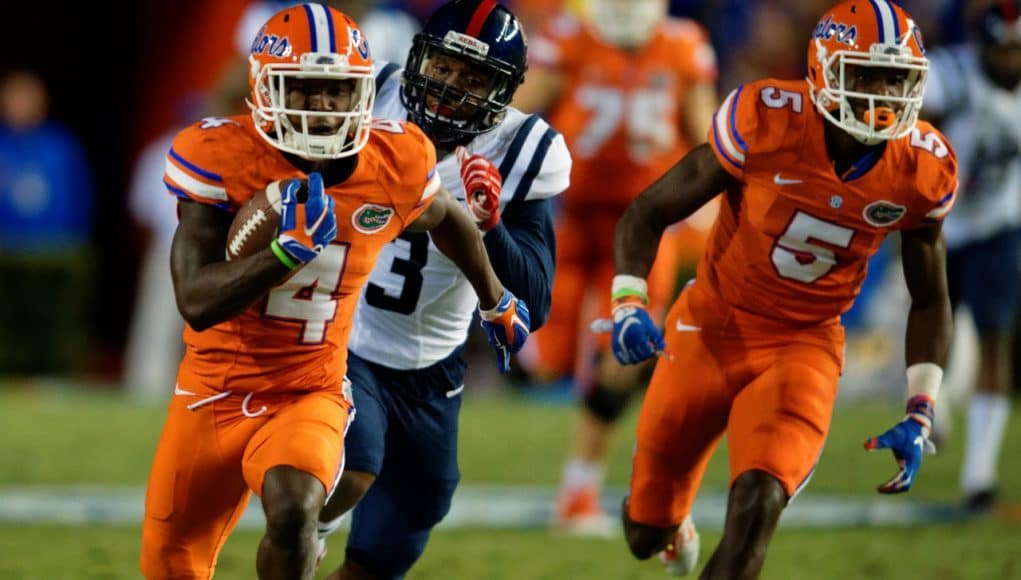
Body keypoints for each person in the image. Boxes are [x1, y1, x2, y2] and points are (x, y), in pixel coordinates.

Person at [138, 4, 530, 579]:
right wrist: (279, 257)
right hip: (211, 394)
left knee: (297, 507)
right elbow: (195, 301)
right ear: (266, 89)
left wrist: (496, 299)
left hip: (308, 388)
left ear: (364, 95)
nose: (323, 108)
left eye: (339, 92)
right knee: (172, 563)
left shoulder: (395, 161)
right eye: (307, 89)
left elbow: (445, 218)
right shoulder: (221, 157)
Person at [609, 1, 957, 577]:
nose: (882, 96)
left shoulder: (922, 168)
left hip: (804, 346)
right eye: (865, 75)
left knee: (759, 502)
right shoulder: (765, 119)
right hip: (711, 326)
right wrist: (628, 302)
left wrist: (921, 408)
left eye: (895, 79)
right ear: (822, 69)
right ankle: (671, 526)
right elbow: (649, 211)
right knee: (645, 531)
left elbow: (930, 295)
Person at [314, 1, 571, 578]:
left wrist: (492, 224)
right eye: (446, 67)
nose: (451, 87)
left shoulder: (521, 150)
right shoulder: (368, 96)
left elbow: (535, 296)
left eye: (475, 78)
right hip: (343, 340)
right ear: (420, 57)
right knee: (356, 464)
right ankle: (304, 532)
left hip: (432, 365)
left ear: (503, 92)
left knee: (408, 522)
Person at [510, 0, 719, 532]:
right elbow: (510, 117)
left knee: (624, 354)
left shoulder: (683, 45)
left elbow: (707, 137)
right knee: (539, 361)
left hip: (644, 227)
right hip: (570, 220)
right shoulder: (567, 40)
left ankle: (579, 490)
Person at [922, 0, 1021, 513]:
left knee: (993, 342)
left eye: (1016, 50)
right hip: (939, 226)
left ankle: (979, 474)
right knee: (931, 328)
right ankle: (929, 409)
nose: (1008, 60)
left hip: (999, 227)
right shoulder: (954, 74)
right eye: (1001, 49)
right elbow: (908, 104)